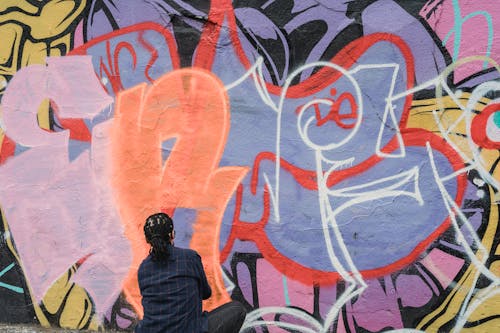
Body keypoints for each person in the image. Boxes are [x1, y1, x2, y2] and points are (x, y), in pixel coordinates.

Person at [135, 212, 246, 333]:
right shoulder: (189, 257)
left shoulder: (143, 268)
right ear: (171, 234)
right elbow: (206, 293)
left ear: (147, 239)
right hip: (190, 329)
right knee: (237, 309)